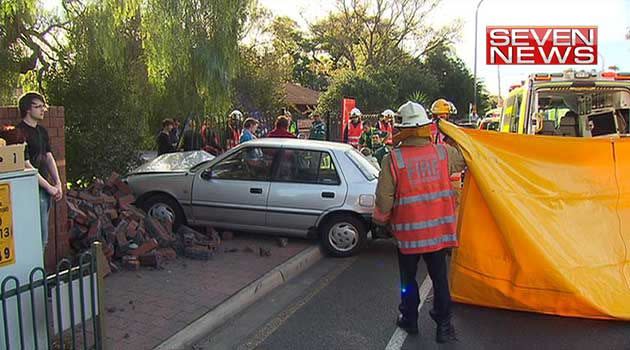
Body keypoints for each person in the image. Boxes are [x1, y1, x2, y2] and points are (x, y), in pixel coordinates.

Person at [373, 101, 466, 344]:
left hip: (408, 237)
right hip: (438, 234)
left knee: (408, 281)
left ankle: (410, 319)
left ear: (402, 129)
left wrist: (380, 222)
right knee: (439, 280)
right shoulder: (444, 153)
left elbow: (384, 199)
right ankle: (444, 326)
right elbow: (466, 158)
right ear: (426, 127)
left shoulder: (393, 159)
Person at [16, 92, 63, 251]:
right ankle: (35, 275)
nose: (43, 110)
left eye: (44, 106)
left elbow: (49, 156)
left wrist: (58, 182)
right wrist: (48, 186)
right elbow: (26, 164)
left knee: (43, 238)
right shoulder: (19, 132)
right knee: (36, 238)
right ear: (28, 109)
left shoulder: (42, 131)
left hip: (45, 190)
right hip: (30, 191)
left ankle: (38, 273)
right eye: (38, 106)